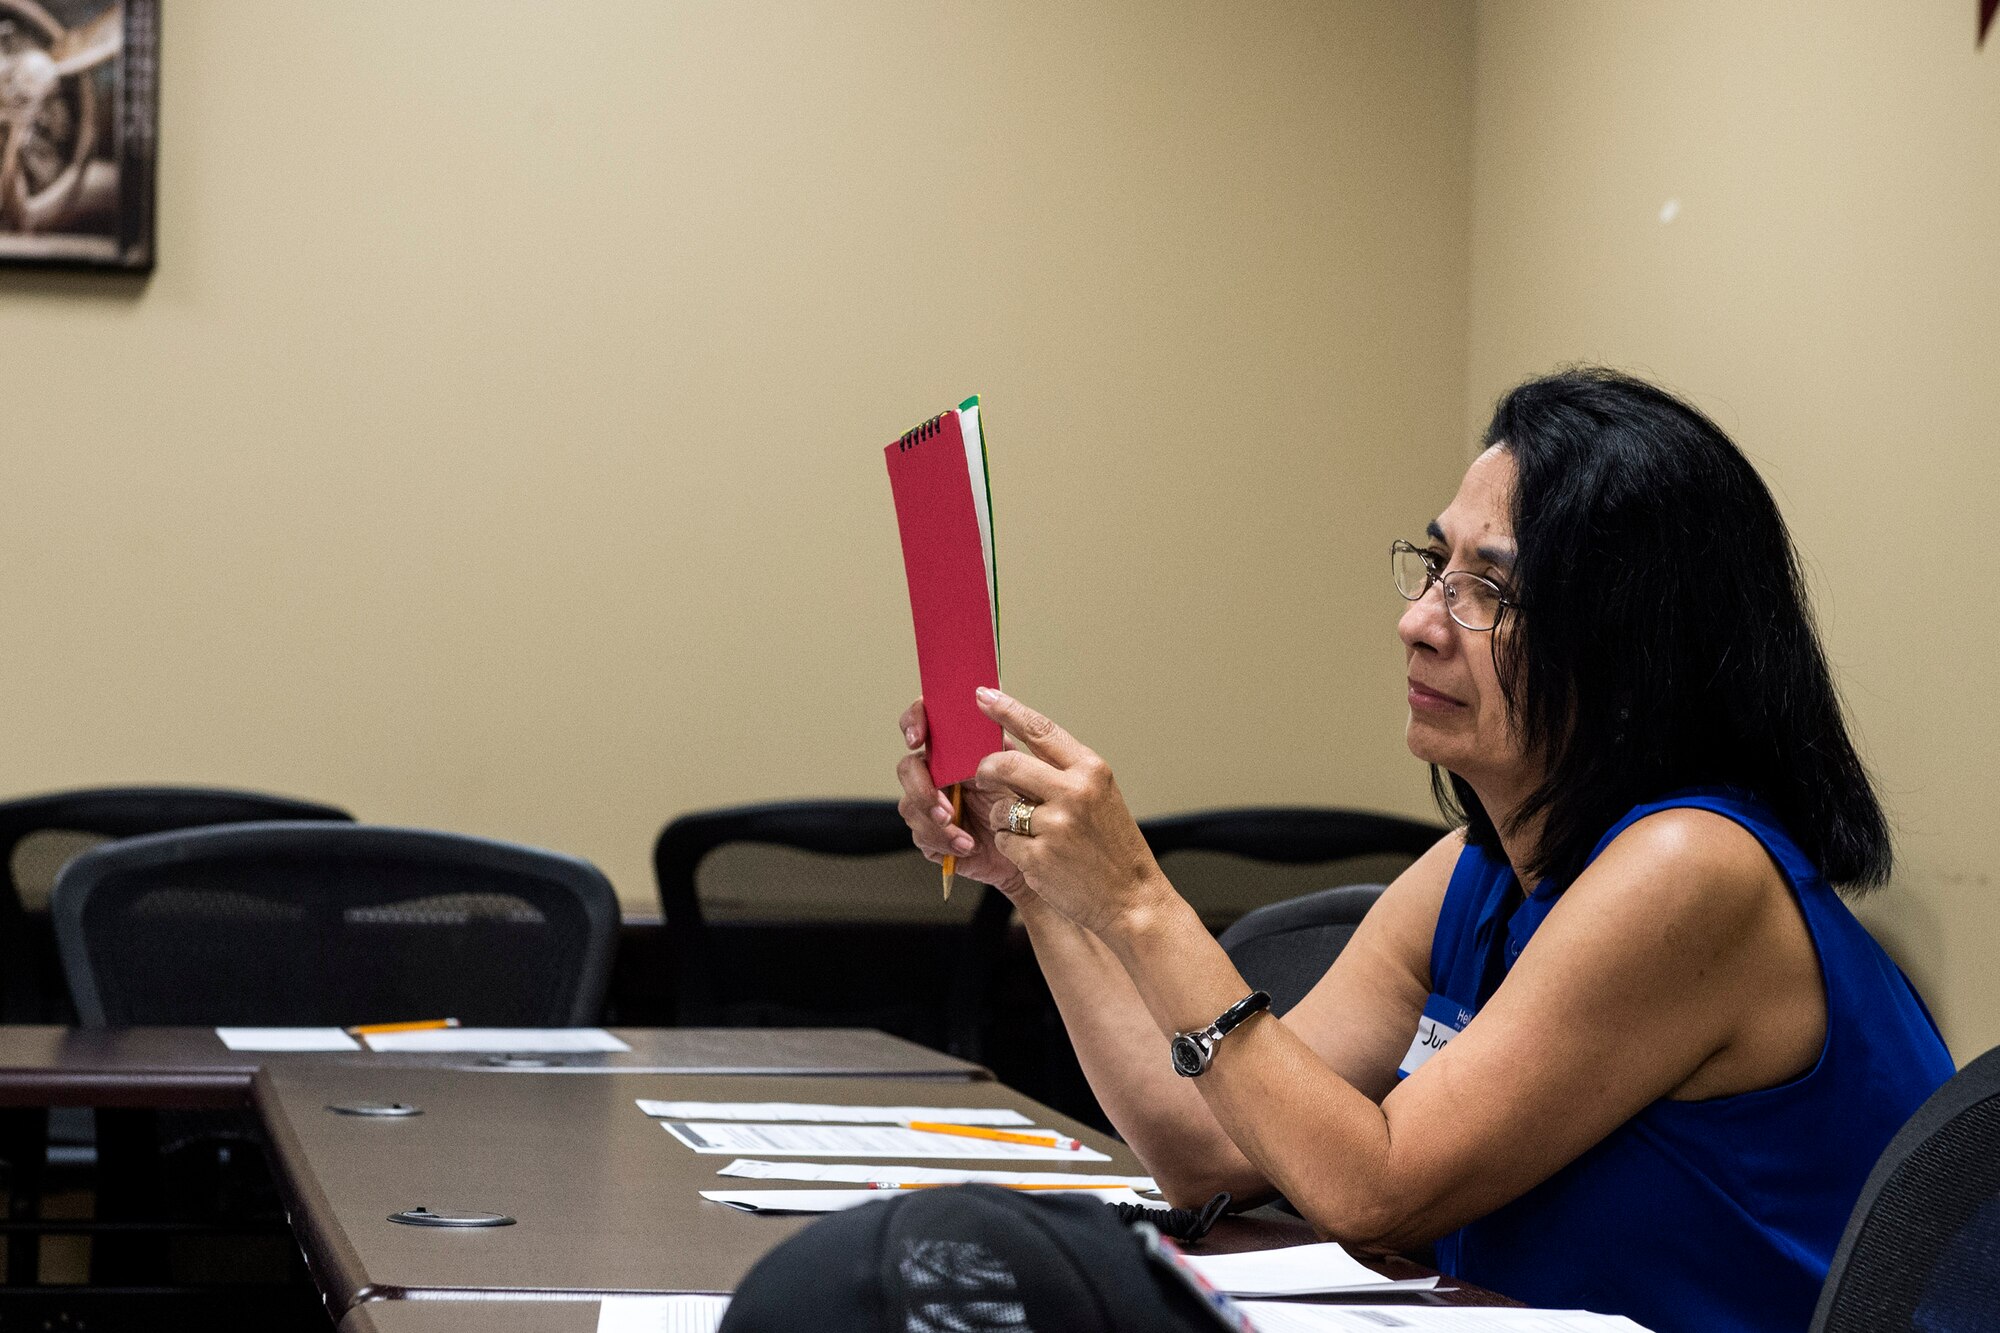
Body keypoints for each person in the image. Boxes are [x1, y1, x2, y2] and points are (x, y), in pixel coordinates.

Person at [894, 367, 1954, 1333]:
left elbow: (1374, 1187)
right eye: (1432, 565)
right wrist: (1032, 882)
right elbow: (1203, 1147)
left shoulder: (1691, 869)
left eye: (1485, 590)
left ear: (1632, 643)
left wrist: (1137, 898)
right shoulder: (1477, 869)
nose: (1418, 620)